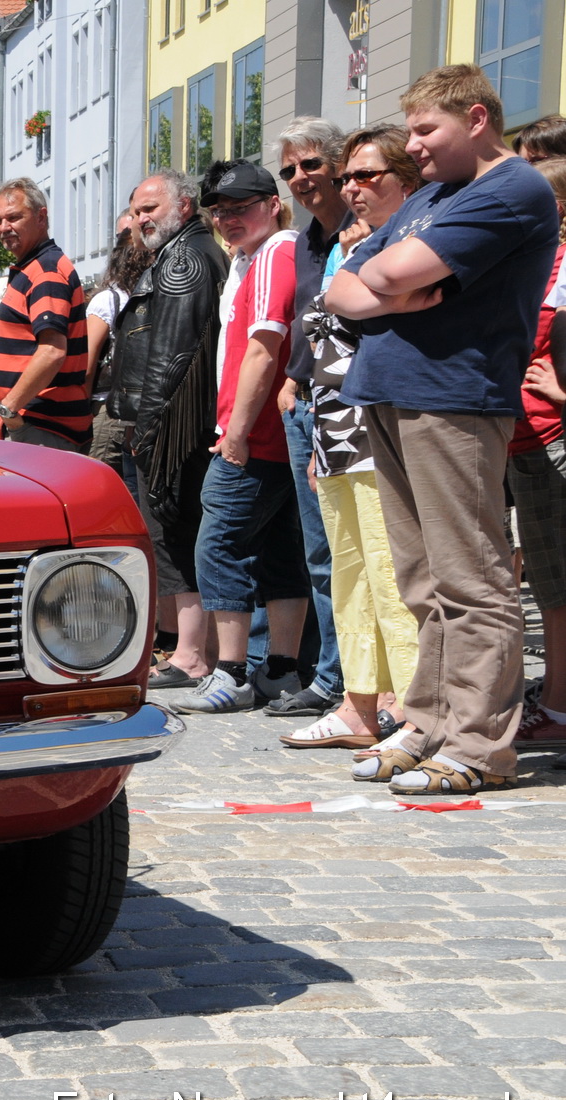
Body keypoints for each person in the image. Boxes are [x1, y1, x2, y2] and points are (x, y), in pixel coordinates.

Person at [324, 65, 559, 795]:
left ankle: (480, 744)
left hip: (455, 394)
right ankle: (424, 722)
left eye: (426, 130)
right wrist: (388, 290)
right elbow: (343, 279)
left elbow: (389, 271)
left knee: (471, 576)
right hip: (391, 391)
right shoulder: (430, 196)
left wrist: (383, 286)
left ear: (477, 118)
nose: (413, 147)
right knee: (420, 581)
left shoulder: (510, 188)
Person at [278, 125, 423, 755]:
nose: (353, 189)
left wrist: (359, 272)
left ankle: (414, 706)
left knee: (393, 571)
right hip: (334, 424)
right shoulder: (344, 244)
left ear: (407, 183)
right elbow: (332, 327)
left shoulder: (413, 236)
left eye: (367, 176)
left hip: (383, 424)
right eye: (350, 178)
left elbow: (375, 308)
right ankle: (360, 701)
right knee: (350, 570)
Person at [173, 161, 309, 714]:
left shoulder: (276, 251)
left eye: (240, 208)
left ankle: (230, 672)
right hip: (270, 434)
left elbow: (263, 347)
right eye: (219, 212)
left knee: (219, 544)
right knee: (279, 552)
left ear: (271, 204)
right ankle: (279, 669)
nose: (228, 219)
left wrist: (236, 432)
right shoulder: (254, 256)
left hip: (255, 435)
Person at [108, 171, 230, 691]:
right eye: (136, 211)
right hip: (173, 422)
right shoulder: (186, 252)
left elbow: (172, 358)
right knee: (176, 532)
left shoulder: (183, 257)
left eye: (150, 208)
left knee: (175, 531)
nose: (141, 219)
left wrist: (154, 430)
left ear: (184, 206)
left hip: (175, 427)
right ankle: (191, 650)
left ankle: (189, 654)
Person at [268, 118, 355, 720]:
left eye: (312, 165)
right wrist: (293, 380)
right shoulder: (304, 241)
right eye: (290, 169)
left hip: (355, 408)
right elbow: (308, 321)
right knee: (320, 551)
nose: (301, 178)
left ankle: (361, 685)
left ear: (341, 166)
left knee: (360, 548)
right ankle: (332, 677)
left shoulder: (366, 228)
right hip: (308, 407)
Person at [504, 158, 566, 752]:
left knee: (559, 588)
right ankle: (554, 698)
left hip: (552, 437)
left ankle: (558, 707)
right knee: (551, 587)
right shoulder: (539, 265)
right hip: (526, 440)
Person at [0, 179, 90, 450]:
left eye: (13, 217)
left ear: (41, 217)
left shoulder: (45, 271)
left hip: (42, 424)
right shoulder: (36, 267)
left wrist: (9, 408)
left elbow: (52, 351)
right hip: (36, 423)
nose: (4, 228)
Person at [85, 217, 154, 482]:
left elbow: (88, 364)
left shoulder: (108, 300)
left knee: (94, 484)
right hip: (136, 410)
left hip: (105, 409)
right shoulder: (149, 295)